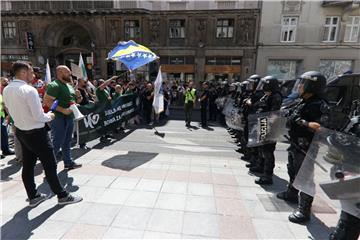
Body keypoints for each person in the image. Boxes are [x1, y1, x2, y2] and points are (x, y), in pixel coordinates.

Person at [3, 61, 82, 206]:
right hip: (36, 133)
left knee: (28, 165)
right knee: (50, 165)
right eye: (31, 71)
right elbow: (39, 116)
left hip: (21, 131)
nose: (34, 75)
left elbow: (8, 108)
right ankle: (62, 195)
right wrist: (50, 116)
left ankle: (33, 196)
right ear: (23, 72)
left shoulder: (7, 89)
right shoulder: (29, 90)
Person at [277, 71, 327, 223]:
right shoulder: (302, 101)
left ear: (312, 85)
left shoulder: (319, 105)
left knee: (305, 178)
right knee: (292, 169)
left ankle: (304, 210)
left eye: (303, 83)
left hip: (307, 146)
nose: (299, 86)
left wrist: (300, 121)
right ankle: (292, 193)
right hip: (295, 143)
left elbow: (321, 127)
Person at [43, 65, 82, 170]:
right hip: (59, 118)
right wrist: (63, 110)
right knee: (57, 142)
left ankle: (68, 162)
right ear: (60, 72)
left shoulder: (69, 86)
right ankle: (50, 167)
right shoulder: (54, 85)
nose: (70, 74)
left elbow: (75, 101)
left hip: (69, 117)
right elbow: (47, 102)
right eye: (67, 72)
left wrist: (79, 96)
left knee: (67, 141)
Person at [252, 76, 283, 185]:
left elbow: (274, 113)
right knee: (262, 149)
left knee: (268, 151)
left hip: (270, 128)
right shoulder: (267, 96)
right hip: (263, 125)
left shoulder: (276, 96)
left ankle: (267, 176)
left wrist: (268, 125)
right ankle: (261, 167)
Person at [1, 93, 14, 158]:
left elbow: (4, 105)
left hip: (2, 117)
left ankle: (5, 150)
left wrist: (8, 115)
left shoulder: (0, 95)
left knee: (4, 134)